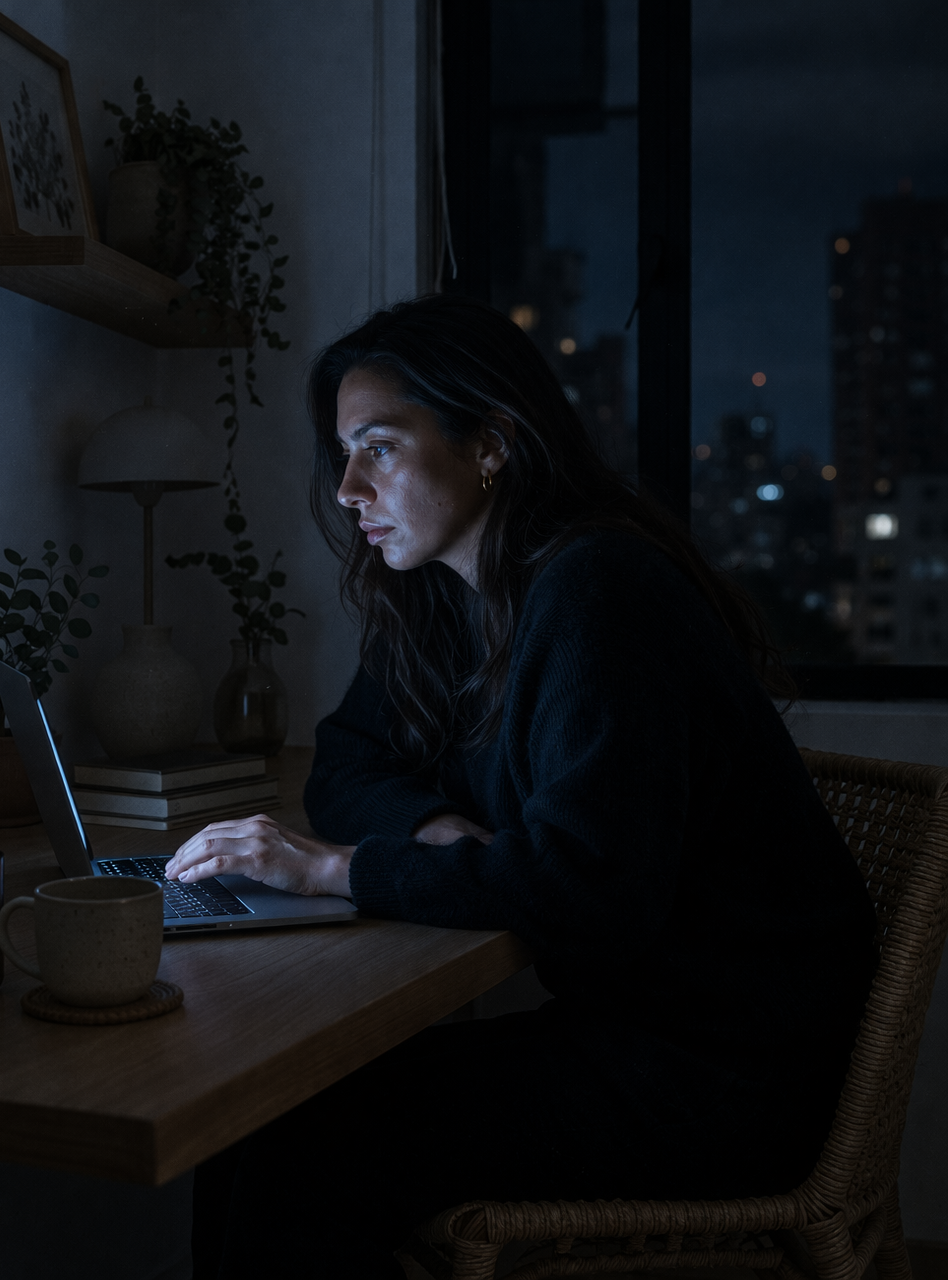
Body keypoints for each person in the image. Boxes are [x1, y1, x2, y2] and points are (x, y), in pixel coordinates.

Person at [167, 295, 876, 1279]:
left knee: (298, 1143)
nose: (348, 488)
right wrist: (431, 827)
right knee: (257, 1112)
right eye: (342, 454)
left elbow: (591, 892)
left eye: (379, 448)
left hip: (723, 1070)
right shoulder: (450, 596)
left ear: (490, 444)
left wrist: (335, 869)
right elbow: (347, 756)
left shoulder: (596, 588)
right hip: (625, 1032)